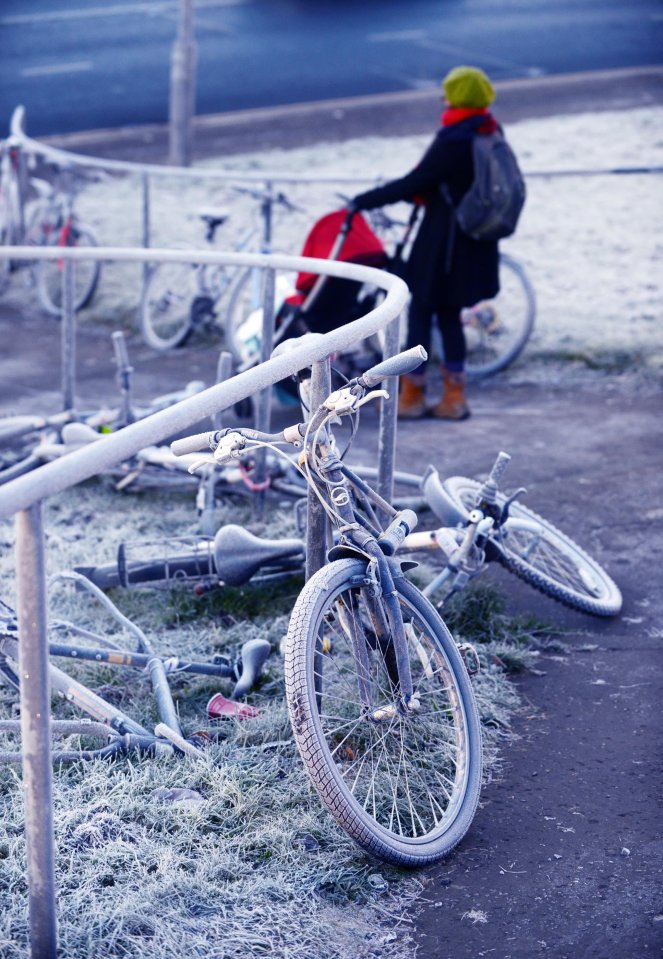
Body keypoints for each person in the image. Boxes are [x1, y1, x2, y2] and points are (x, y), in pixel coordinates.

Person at [350, 65, 501, 420]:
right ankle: (454, 397)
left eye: (448, 92)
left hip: (443, 245)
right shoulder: (489, 130)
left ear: (459, 97)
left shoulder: (454, 138)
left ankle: (413, 395)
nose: (443, 98)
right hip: (474, 241)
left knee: (421, 311)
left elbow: (415, 181)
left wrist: (365, 200)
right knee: (449, 315)